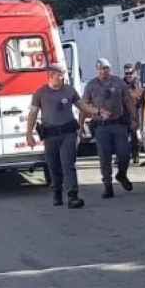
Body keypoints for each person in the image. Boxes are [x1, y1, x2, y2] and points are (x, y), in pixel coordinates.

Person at [26, 63, 108, 209]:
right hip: (50, 135)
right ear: (51, 75)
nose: (63, 77)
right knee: (54, 166)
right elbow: (33, 113)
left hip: (68, 133)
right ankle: (57, 191)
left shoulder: (69, 91)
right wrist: (29, 134)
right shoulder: (41, 93)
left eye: (64, 74)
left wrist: (99, 111)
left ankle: (72, 196)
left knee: (68, 164)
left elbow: (83, 105)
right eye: (60, 74)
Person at [79, 58, 138, 198]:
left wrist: (135, 118)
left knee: (124, 154)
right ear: (96, 70)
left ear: (109, 70)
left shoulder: (119, 82)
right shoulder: (91, 85)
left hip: (119, 124)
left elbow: (129, 101)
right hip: (101, 127)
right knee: (104, 157)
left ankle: (122, 175)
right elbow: (84, 105)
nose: (103, 71)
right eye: (100, 69)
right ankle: (107, 186)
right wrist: (80, 125)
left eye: (106, 68)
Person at [123, 63, 144, 164]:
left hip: (135, 111)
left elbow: (140, 95)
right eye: (127, 73)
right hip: (124, 113)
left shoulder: (137, 83)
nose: (129, 75)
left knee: (135, 135)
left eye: (130, 73)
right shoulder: (121, 83)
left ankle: (135, 155)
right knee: (122, 137)